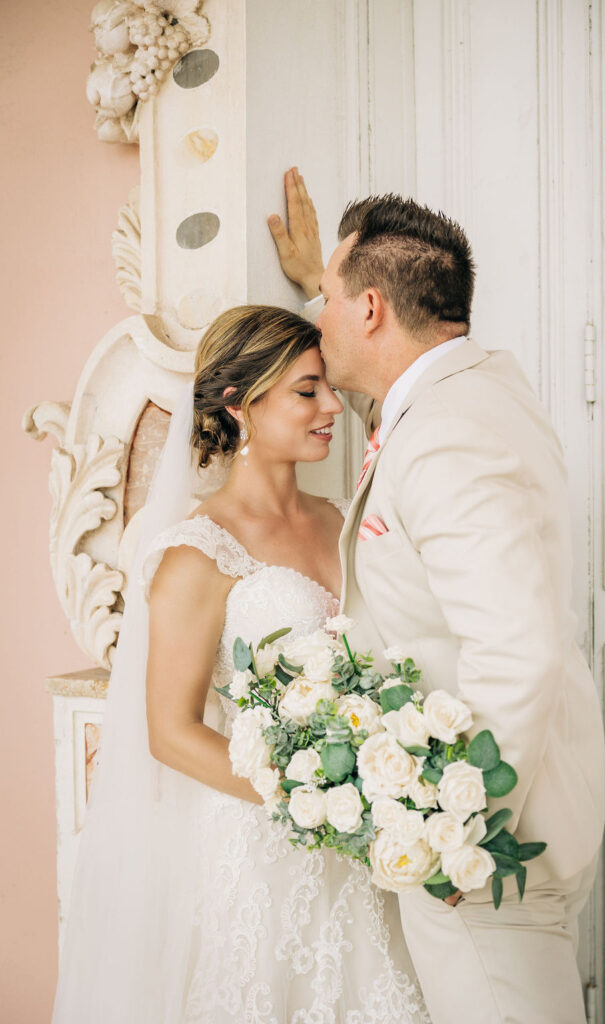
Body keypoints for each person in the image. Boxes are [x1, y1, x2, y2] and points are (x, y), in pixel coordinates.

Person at [268, 168, 605, 1024]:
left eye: (330, 303)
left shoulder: (445, 435)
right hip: (528, 809)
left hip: (488, 847)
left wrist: (455, 832)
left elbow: (515, 649)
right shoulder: (481, 386)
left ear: (372, 308)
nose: (319, 322)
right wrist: (325, 273)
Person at [52, 305, 430, 1023]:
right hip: (261, 848)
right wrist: (311, 803)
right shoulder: (198, 551)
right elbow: (169, 731)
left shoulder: (342, 518)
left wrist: (376, 799)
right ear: (239, 405)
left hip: (368, 841)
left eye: (327, 387)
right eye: (306, 391)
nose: (330, 407)